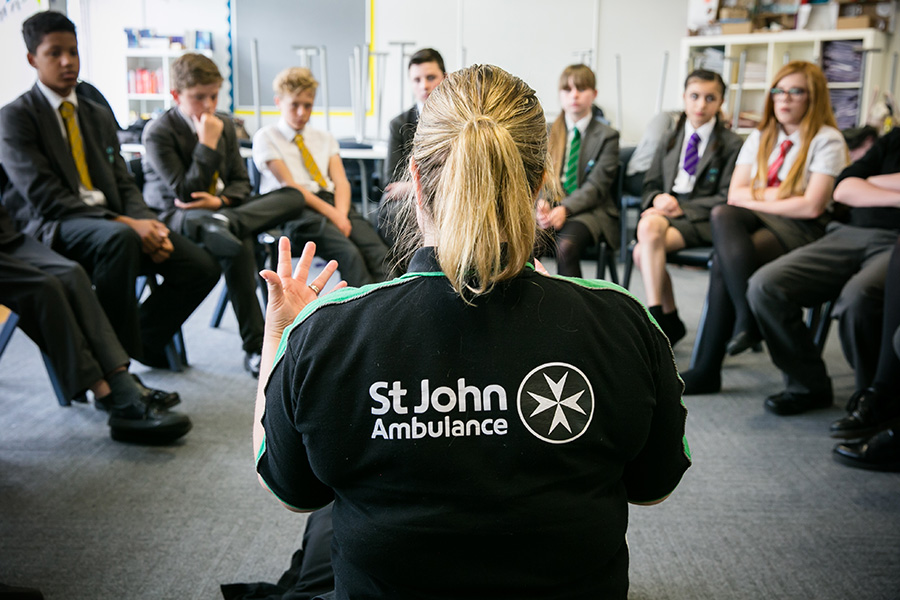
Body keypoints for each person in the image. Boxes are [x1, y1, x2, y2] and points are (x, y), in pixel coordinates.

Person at [253, 64, 690, 599]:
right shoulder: (623, 320)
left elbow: (289, 488)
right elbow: (653, 488)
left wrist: (280, 332)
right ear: (539, 182)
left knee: (325, 518)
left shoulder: (329, 330)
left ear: (414, 180)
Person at [0, 11, 220, 370]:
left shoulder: (96, 114)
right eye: (55, 53)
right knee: (119, 239)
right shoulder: (15, 117)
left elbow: (123, 182)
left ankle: (131, 347)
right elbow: (46, 198)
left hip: (115, 226)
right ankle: (120, 373)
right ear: (31, 59)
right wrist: (128, 224)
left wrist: (149, 223)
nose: (68, 61)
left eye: (72, 51)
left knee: (201, 266)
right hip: (53, 228)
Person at [680, 61, 849, 395]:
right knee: (723, 214)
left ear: (812, 97)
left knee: (723, 264)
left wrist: (757, 197)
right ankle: (747, 317)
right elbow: (733, 195)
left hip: (806, 229)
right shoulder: (761, 135)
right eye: (778, 91)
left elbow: (812, 205)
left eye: (795, 91)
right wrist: (786, 194)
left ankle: (709, 367)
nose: (784, 99)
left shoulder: (828, 139)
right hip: (767, 221)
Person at [141, 53, 307, 378]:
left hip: (221, 213)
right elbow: (186, 194)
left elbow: (241, 184)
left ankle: (227, 223)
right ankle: (257, 347)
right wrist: (206, 143)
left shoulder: (225, 124)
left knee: (294, 196)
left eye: (213, 96)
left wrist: (221, 205)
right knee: (236, 244)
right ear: (176, 96)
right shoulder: (158, 131)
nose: (208, 104)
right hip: (176, 217)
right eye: (198, 97)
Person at [0, 205, 191, 442]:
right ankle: (107, 392)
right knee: (44, 287)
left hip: (5, 236)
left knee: (72, 273)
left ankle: (120, 377)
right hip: (47, 222)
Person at [748, 129, 900, 416]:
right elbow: (844, 188)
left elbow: (859, 186)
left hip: (894, 242)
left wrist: (873, 185)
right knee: (765, 285)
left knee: (860, 298)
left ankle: (874, 403)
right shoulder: (895, 139)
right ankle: (808, 386)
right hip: (845, 234)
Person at [632, 69, 743, 345]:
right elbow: (650, 185)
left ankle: (657, 320)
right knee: (644, 242)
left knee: (643, 243)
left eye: (710, 98)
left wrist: (680, 209)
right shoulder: (670, 138)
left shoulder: (732, 144)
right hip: (666, 216)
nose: (701, 105)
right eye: (694, 96)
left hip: (704, 219)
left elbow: (728, 196)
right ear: (684, 98)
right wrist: (657, 198)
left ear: (720, 103)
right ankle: (666, 319)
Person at [252, 67, 388, 287]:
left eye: (307, 106)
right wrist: (336, 217)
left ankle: (386, 312)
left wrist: (341, 214)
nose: (301, 113)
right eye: (294, 105)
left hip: (333, 204)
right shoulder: (266, 137)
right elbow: (292, 187)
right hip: (295, 210)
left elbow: (341, 182)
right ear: (278, 102)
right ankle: (362, 316)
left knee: (379, 253)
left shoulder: (324, 138)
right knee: (348, 254)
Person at [537, 64, 620, 277]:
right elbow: (539, 175)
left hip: (590, 212)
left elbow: (596, 187)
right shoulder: (547, 131)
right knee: (520, 241)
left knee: (566, 247)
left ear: (594, 94)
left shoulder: (607, 136)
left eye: (581, 89)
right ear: (560, 95)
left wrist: (565, 209)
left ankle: (574, 308)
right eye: (567, 90)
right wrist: (542, 204)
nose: (574, 95)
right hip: (552, 208)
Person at [833, 238, 900, 472]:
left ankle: (883, 399)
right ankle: (881, 396)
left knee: (859, 297)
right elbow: (842, 197)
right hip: (847, 231)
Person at [376, 48, 446, 251]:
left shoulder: (459, 120)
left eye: (431, 77)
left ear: (445, 78)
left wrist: (413, 185)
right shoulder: (399, 123)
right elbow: (390, 183)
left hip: (444, 193)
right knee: (396, 213)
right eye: (417, 80)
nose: (424, 85)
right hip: (410, 200)